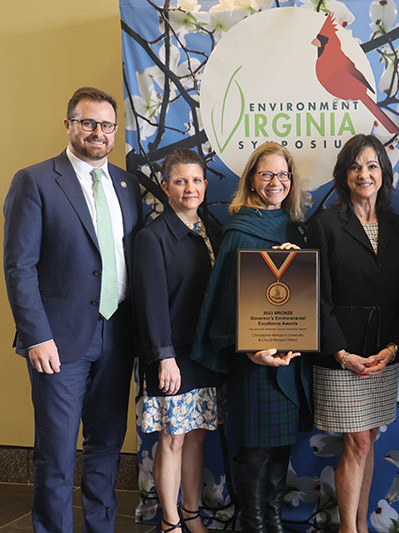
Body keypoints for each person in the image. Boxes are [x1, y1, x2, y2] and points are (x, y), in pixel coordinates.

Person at [3, 87, 142, 532]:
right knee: (58, 452)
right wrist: (36, 336)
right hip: (58, 341)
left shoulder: (126, 184)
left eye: (106, 126)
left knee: (105, 447)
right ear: (69, 125)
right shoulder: (36, 180)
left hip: (117, 336)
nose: (97, 133)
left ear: (115, 133)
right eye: (88, 123)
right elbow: (19, 267)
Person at [191, 142, 311, 533]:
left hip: (290, 361)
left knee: (281, 445)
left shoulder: (295, 228)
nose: (276, 182)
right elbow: (223, 305)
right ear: (252, 181)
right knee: (255, 447)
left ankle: (273, 519)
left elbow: (306, 295)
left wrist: (293, 262)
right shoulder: (239, 229)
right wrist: (251, 350)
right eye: (267, 174)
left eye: (283, 174)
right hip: (253, 362)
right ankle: (252, 522)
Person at [307, 134, 399, 533]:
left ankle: (360, 526)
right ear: (343, 175)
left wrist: (393, 349)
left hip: (382, 356)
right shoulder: (323, 225)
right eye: (355, 166)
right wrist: (340, 352)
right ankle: (349, 529)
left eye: (372, 166)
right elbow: (315, 298)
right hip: (342, 358)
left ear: (384, 174)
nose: (364, 174)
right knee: (356, 443)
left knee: (367, 440)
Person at [133, 149, 225, 532]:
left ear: (205, 184)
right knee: (172, 440)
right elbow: (151, 304)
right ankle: (170, 522)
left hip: (206, 354)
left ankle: (191, 513)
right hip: (172, 357)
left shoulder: (213, 231)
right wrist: (164, 357)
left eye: (197, 180)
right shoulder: (153, 237)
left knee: (197, 438)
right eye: (181, 181)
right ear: (166, 187)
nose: (191, 188)